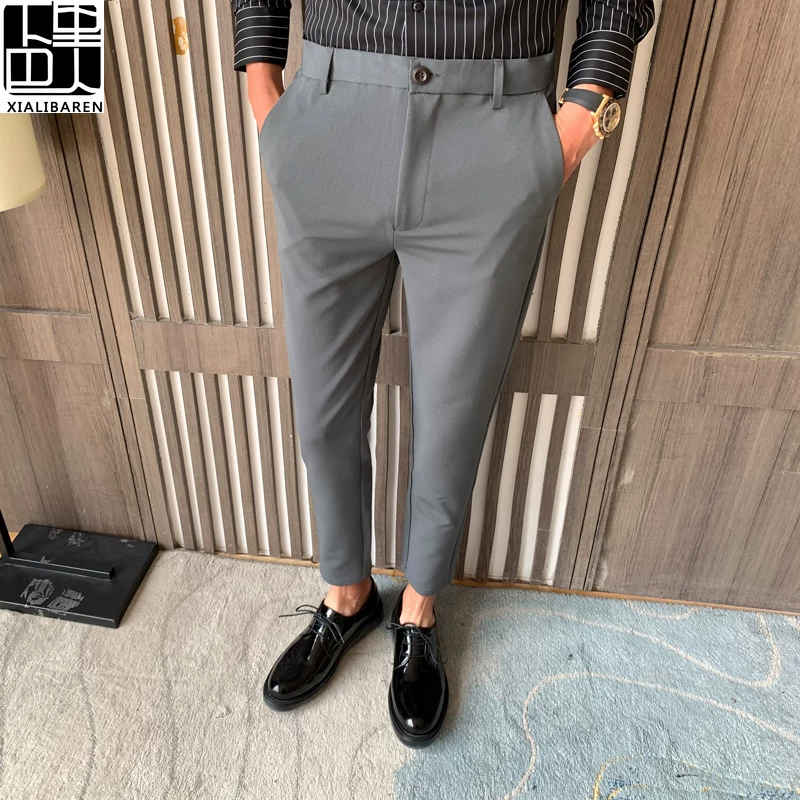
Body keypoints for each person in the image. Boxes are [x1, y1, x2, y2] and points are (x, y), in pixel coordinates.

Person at [231, 0, 654, 747]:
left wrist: (576, 124)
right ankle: (347, 593)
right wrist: (265, 98)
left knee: (453, 416)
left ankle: (419, 610)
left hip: (492, 128)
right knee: (322, 413)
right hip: (330, 116)